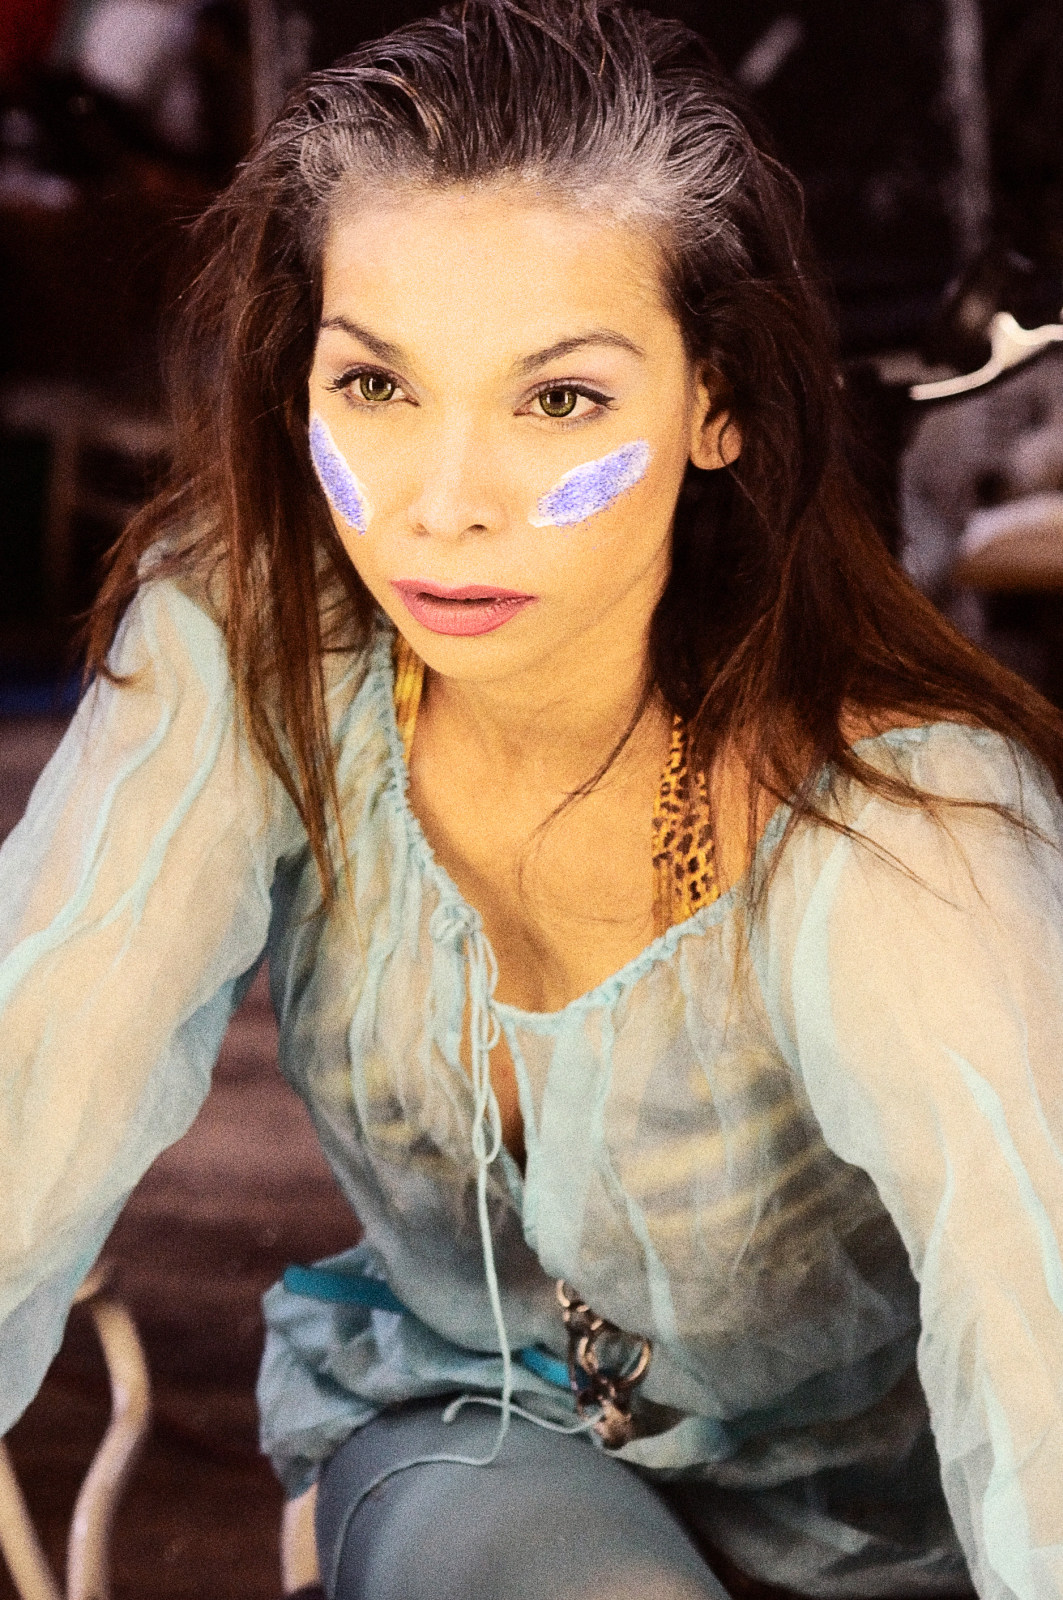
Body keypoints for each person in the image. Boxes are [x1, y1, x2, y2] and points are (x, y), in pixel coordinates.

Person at [2, 3, 1062, 1597]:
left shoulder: (902, 826)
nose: (443, 502)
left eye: (557, 398)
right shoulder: (261, 650)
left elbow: (1042, 1366)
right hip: (485, 1447)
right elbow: (32, 1088)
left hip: (898, 1536)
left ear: (717, 403)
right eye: (377, 385)